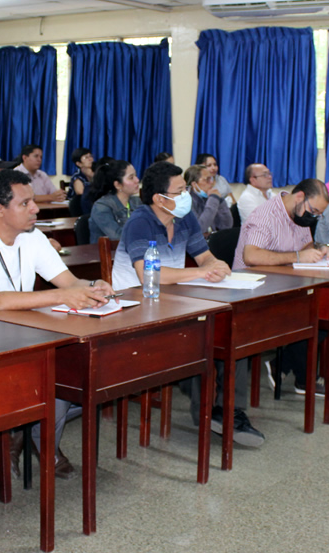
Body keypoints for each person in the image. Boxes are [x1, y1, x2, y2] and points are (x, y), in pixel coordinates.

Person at [0, 170, 111, 479]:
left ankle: (31, 436)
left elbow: (68, 281)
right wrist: (64, 295)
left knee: (72, 373)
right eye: (25, 204)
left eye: (34, 201)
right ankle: (28, 435)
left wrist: (91, 286)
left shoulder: (33, 238)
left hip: (22, 332)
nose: (35, 209)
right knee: (50, 374)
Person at [110, 163, 260, 445]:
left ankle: (229, 410)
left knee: (231, 331)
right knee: (201, 336)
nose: (186, 196)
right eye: (180, 191)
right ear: (159, 198)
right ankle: (211, 408)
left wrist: (216, 265)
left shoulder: (184, 218)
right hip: (133, 307)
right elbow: (148, 275)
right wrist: (200, 272)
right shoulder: (139, 223)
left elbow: (203, 257)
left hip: (173, 301)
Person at [233, 178, 329, 397]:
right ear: (300, 196)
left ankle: (281, 367)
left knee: (327, 313)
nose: (314, 217)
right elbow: (251, 255)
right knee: (309, 316)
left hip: (285, 284)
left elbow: (306, 245)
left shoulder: (299, 215)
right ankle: (303, 379)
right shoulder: (265, 216)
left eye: (319, 214)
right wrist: (297, 256)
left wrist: (320, 249)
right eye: (314, 211)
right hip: (253, 289)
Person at [88, 160, 140, 242]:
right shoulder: (101, 207)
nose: (137, 180)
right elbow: (117, 237)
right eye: (131, 177)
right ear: (118, 185)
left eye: (136, 176)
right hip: (107, 253)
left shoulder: (137, 202)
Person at [184, 164, 231, 234]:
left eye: (211, 178)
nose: (211, 182)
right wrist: (214, 199)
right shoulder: (186, 201)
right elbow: (199, 228)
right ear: (194, 184)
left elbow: (226, 226)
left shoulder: (208, 196)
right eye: (207, 179)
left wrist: (220, 201)